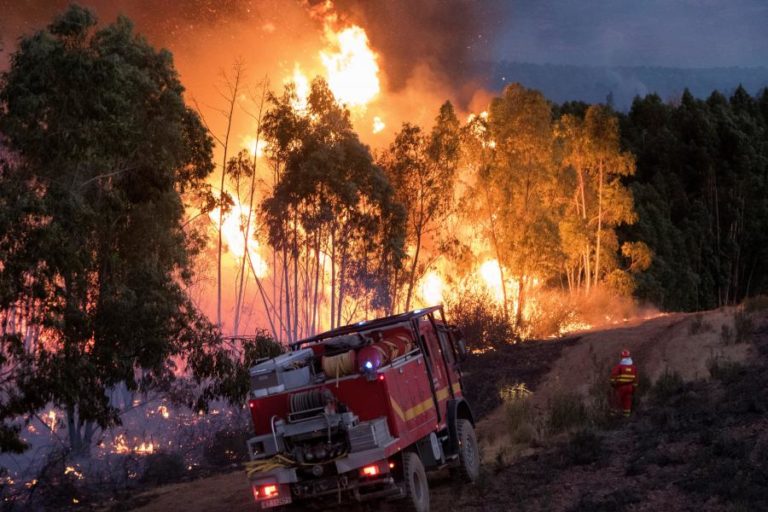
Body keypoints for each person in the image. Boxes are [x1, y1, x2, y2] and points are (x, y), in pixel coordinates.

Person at [610, 349, 638, 417]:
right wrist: (634, 389)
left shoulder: (619, 367)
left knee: (616, 401)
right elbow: (636, 380)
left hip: (620, 387)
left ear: (622, 357)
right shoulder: (634, 368)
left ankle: (613, 417)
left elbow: (613, 375)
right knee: (627, 402)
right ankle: (626, 417)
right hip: (630, 387)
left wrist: (613, 383)